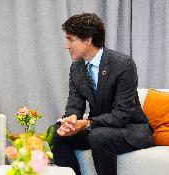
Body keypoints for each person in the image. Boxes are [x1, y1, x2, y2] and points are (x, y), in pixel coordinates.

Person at [50, 13, 153, 175]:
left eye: (71, 39)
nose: (66, 45)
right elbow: (74, 104)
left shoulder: (123, 64)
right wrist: (71, 120)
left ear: (88, 40)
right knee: (57, 133)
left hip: (130, 129)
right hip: (98, 127)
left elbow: (121, 115)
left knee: (98, 136)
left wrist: (86, 123)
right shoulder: (76, 68)